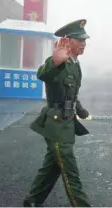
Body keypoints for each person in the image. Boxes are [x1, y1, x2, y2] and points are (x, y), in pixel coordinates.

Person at [23, 19, 92, 207]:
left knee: (53, 166)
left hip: (67, 123)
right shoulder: (59, 61)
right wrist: (54, 61)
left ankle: (32, 201)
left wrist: (79, 109)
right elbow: (42, 74)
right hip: (56, 123)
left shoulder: (75, 64)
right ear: (67, 41)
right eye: (79, 40)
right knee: (70, 171)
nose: (84, 43)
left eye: (85, 40)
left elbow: (70, 93)